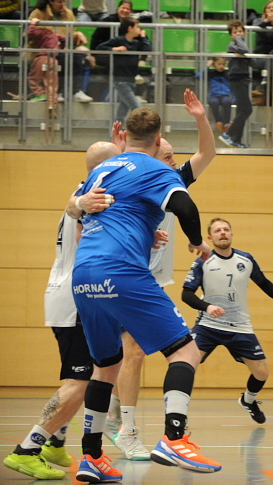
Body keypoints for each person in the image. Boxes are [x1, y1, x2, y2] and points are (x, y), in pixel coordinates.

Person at [70, 106, 222, 481]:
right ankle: (174, 438)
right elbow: (185, 206)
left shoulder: (103, 169)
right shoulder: (156, 170)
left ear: (124, 137)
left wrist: (141, 230)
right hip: (122, 271)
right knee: (186, 351)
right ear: (156, 142)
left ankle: (91, 457)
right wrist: (196, 242)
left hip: (84, 274)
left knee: (106, 366)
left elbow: (81, 213)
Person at [103, 89, 217, 462]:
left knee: (122, 357)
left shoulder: (171, 179)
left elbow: (207, 154)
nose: (173, 162)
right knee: (136, 352)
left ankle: (110, 417)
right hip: (128, 275)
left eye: (173, 157)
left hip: (143, 278)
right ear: (151, 152)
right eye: (166, 155)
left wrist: (201, 118)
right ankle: (126, 428)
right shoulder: (139, 178)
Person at [1, 141, 121, 482]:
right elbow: (89, 241)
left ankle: (56, 442)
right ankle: (27, 449)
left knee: (87, 376)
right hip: (76, 298)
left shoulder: (84, 191)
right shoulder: (96, 196)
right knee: (79, 382)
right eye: (120, 162)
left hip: (67, 293)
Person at [182, 217, 273, 424]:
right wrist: (207, 307)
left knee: (262, 372)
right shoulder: (203, 262)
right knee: (187, 364)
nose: (223, 233)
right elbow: (186, 294)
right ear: (210, 238)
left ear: (232, 234)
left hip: (240, 326)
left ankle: (248, 401)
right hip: (208, 325)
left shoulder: (245, 259)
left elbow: (263, 282)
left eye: (226, 229)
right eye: (217, 230)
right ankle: (179, 415)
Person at [29, 0, 94, 104]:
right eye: (59, 1)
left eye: (64, 1)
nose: (62, 4)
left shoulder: (68, 13)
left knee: (76, 56)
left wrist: (77, 35)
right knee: (62, 59)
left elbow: (70, 36)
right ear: (51, 1)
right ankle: (58, 92)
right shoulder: (38, 13)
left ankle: (76, 92)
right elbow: (30, 33)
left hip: (62, 49)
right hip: (43, 50)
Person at [97, 16, 151, 124]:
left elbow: (147, 50)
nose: (140, 29)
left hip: (131, 80)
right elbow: (100, 47)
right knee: (136, 108)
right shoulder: (118, 40)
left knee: (122, 111)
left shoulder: (136, 43)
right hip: (121, 80)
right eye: (137, 27)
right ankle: (143, 129)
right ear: (130, 28)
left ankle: (116, 131)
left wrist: (143, 37)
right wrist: (115, 49)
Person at [218, 20, 252, 149]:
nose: (238, 34)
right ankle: (228, 134)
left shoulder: (243, 46)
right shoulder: (232, 46)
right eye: (235, 32)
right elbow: (244, 50)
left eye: (240, 31)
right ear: (231, 35)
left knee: (241, 110)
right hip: (236, 79)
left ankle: (236, 139)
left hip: (244, 79)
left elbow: (253, 61)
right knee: (247, 109)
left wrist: (245, 53)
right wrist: (240, 41)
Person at [27, 17, 63, 105]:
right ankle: (52, 102)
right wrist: (59, 48)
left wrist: (32, 23)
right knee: (51, 82)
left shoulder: (41, 32)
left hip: (42, 57)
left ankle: (40, 94)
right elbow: (64, 39)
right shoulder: (55, 35)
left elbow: (30, 33)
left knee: (34, 78)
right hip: (53, 59)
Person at [199, 57, 231, 133]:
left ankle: (226, 123)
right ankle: (218, 121)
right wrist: (207, 66)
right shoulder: (210, 73)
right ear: (214, 64)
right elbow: (199, 76)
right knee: (214, 102)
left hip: (225, 95)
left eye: (223, 64)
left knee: (227, 102)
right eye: (219, 64)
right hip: (214, 95)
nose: (221, 66)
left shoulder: (227, 74)